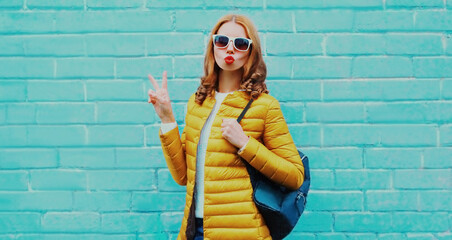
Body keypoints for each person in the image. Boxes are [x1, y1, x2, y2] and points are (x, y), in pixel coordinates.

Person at [147, 14, 305, 240]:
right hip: (195, 231)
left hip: (244, 233)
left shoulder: (265, 106)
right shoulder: (197, 102)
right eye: (222, 41)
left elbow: (295, 176)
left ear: (251, 52)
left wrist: (245, 144)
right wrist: (167, 119)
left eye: (240, 44)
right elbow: (183, 177)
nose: (229, 49)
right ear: (213, 47)